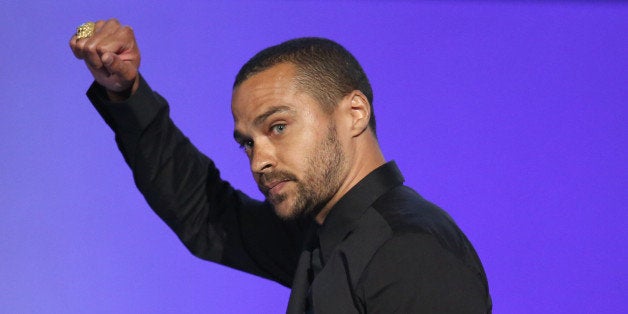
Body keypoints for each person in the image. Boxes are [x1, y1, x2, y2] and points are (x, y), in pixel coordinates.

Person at [70, 19, 492, 313]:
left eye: (279, 126)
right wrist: (126, 93)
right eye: (247, 143)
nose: (259, 160)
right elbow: (206, 215)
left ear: (355, 112)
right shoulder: (322, 236)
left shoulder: (408, 250)